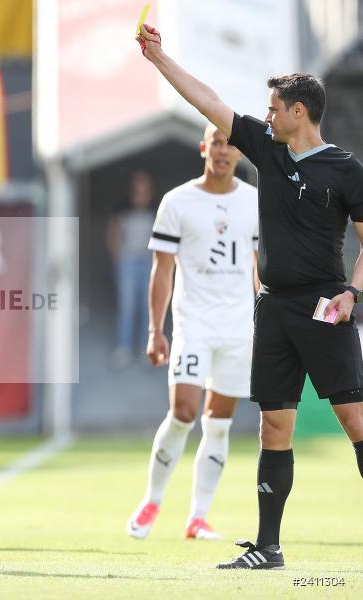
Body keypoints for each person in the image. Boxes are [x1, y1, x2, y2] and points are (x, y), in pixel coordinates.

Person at [137, 23, 363, 570]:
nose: (266, 116)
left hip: (326, 307)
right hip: (275, 309)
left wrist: (353, 293)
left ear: (301, 112)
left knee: (356, 422)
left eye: (275, 108)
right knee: (273, 425)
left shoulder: (346, 170)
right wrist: (158, 58)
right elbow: (209, 101)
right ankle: (268, 547)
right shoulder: (268, 149)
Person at [126, 123, 258, 542]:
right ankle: (152, 501)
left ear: (239, 153)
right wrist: (155, 329)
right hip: (193, 324)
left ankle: (198, 516)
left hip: (239, 328)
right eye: (216, 143)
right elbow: (161, 270)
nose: (223, 151)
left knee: (219, 423)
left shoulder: (255, 202)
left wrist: (263, 317)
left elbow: (257, 267)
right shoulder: (177, 202)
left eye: (230, 145)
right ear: (204, 147)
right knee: (183, 412)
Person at [107, 171, 156, 368]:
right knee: (126, 306)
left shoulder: (156, 208)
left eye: (143, 188)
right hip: (127, 262)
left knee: (148, 307)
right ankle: (123, 348)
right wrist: (117, 257)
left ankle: (145, 349)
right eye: (137, 187)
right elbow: (113, 232)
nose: (140, 192)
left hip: (148, 261)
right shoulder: (122, 208)